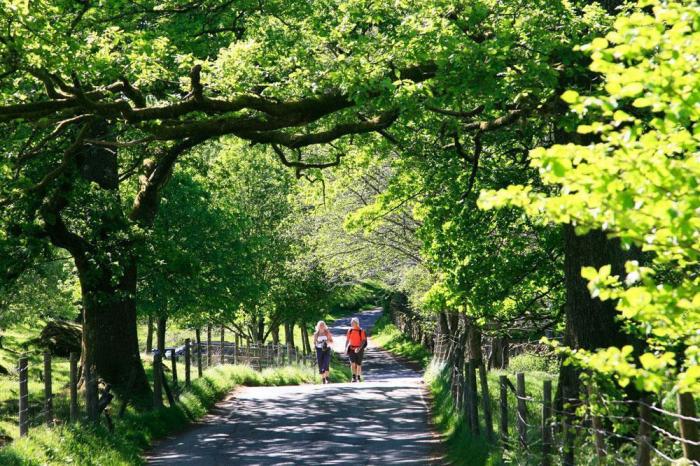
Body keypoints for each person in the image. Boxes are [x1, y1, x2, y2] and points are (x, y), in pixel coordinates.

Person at [345, 317, 367, 382]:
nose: (352, 323)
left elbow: (363, 341)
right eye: (351, 322)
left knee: (358, 364)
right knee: (352, 363)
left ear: (357, 323)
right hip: (351, 348)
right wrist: (345, 348)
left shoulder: (361, 331)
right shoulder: (350, 330)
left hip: (359, 349)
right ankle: (354, 377)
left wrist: (359, 348)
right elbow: (347, 340)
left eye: (353, 322)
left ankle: (358, 377)